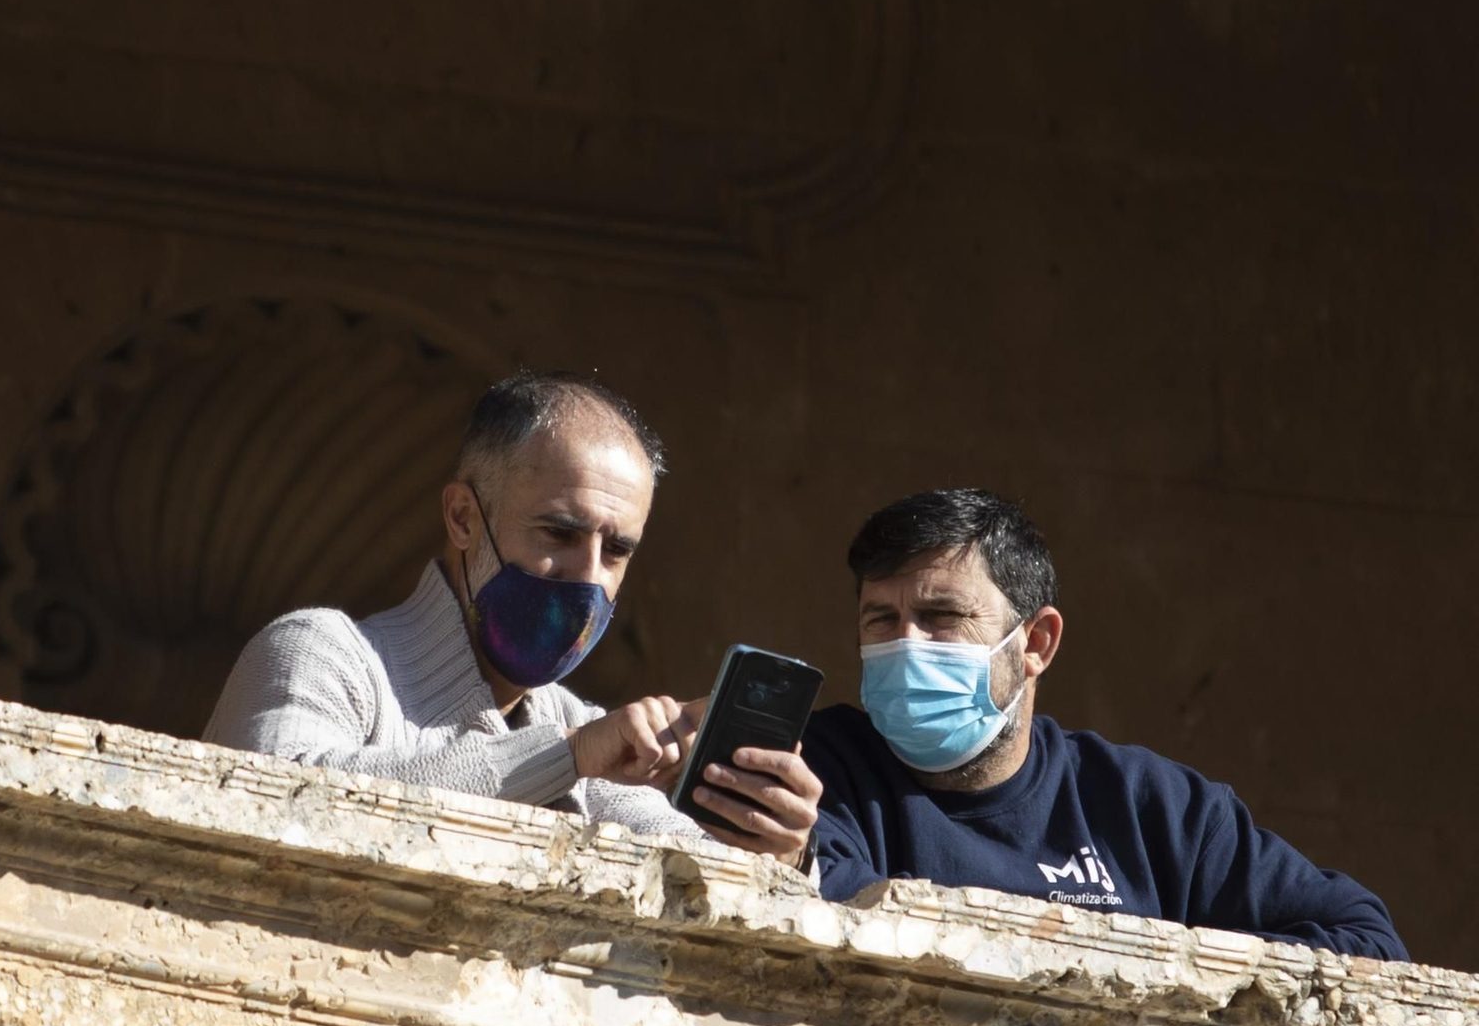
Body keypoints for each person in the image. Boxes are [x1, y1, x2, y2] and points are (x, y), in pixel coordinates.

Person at [204, 369, 820, 868]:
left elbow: (701, 867)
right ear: (463, 518)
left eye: (619, 551)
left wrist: (776, 844)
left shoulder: (579, 729)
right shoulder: (321, 651)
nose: (590, 576)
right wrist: (567, 756)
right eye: (559, 531)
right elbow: (272, 799)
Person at [805, 488, 1407, 959]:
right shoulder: (816, 767)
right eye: (881, 620)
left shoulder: (1156, 809)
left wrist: (1172, 974)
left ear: (1036, 643)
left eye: (941, 615)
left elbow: (1366, 940)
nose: (908, 645)